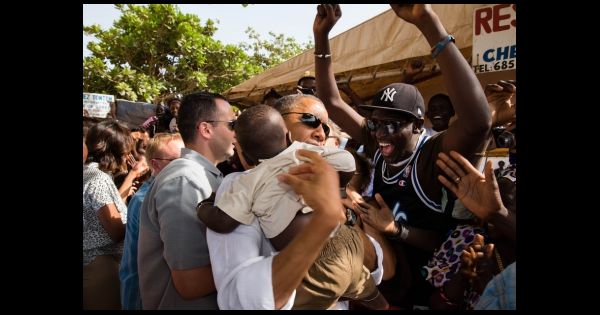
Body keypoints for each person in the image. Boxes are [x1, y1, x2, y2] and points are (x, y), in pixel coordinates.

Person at [313, 4, 492, 307]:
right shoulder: (380, 143)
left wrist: (427, 22)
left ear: (417, 125)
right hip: (391, 283)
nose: (380, 132)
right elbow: (331, 100)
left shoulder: (431, 156)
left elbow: (477, 120)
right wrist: (321, 37)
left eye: (392, 123)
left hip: (434, 288)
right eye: (375, 123)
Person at [205, 96, 386, 310]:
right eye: (310, 120)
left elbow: (379, 267)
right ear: (288, 134)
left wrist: (336, 201)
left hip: (343, 262)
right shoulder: (237, 185)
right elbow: (242, 300)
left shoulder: (320, 168)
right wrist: (325, 219)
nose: (321, 132)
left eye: (326, 128)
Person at [137, 91, 236, 309]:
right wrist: (265, 265)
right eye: (231, 124)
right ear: (206, 129)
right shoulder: (185, 180)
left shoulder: (201, 175)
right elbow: (190, 282)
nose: (236, 133)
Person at [119, 133, 184, 310]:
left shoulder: (164, 192)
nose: (187, 165)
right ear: (155, 164)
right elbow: (137, 266)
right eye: (178, 160)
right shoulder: (145, 200)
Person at [83, 120, 134, 309]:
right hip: (101, 265)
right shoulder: (99, 179)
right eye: (126, 151)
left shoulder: (88, 173)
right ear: (114, 151)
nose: (128, 156)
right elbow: (115, 231)